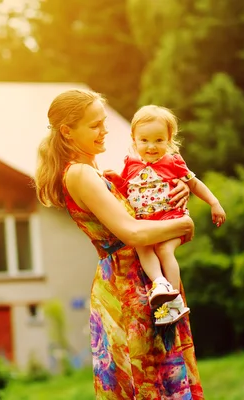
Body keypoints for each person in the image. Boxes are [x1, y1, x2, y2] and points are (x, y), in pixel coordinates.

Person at [34, 89, 204, 399]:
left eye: (103, 122)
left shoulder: (97, 173)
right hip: (126, 291)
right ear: (67, 132)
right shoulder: (81, 174)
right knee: (148, 383)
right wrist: (185, 224)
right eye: (95, 125)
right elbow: (134, 234)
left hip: (145, 285)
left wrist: (178, 183)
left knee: (161, 380)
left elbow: (146, 193)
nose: (105, 130)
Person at [104, 105, 226, 326]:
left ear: (169, 139)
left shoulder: (173, 162)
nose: (151, 146)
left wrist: (214, 202)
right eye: (145, 140)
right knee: (141, 245)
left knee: (163, 249)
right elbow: (126, 190)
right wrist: (115, 180)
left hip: (171, 219)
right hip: (146, 223)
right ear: (134, 139)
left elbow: (194, 183)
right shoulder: (130, 164)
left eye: (159, 140)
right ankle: (160, 283)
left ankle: (175, 300)